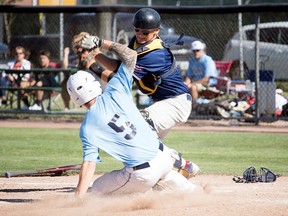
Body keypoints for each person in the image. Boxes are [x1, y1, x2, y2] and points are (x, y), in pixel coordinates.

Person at [74, 8, 200, 179]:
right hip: (162, 103)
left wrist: (98, 43)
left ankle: (180, 165)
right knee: (143, 144)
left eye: (145, 32)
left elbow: (119, 70)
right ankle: (181, 169)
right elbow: (118, 72)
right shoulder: (138, 43)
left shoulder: (156, 53)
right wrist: (93, 56)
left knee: (139, 125)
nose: (140, 34)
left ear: (156, 32)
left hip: (176, 103)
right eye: (137, 30)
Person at [67, 39, 201, 198]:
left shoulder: (87, 126)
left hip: (143, 174)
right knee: (194, 193)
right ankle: (190, 178)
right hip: (163, 159)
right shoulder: (116, 90)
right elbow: (130, 56)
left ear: (75, 99)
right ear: (95, 85)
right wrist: (100, 43)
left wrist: (78, 197)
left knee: (97, 188)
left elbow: (89, 164)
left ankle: (140, 199)